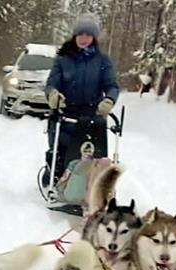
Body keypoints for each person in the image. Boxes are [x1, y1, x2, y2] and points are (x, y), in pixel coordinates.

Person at [44, 13, 120, 181]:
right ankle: (57, 180)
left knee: (93, 155)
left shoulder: (102, 61)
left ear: (94, 37)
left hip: (92, 116)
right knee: (62, 151)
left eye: (88, 34)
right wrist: (53, 94)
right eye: (80, 34)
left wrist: (109, 99)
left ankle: (90, 186)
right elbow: (51, 84)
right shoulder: (63, 58)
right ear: (75, 36)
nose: (83, 38)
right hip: (65, 114)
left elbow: (112, 86)